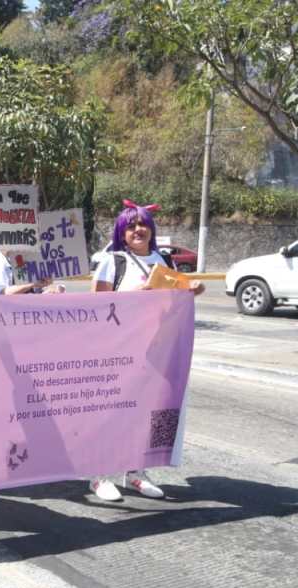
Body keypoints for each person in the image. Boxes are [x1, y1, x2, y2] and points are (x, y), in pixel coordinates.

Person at [89, 200, 204, 502]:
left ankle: (136, 472)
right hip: (119, 351)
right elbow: (95, 306)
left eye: (143, 225)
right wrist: (139, 296)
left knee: (149, 412)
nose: (138, 230)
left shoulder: (165, 261)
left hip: (159, 351)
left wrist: (192, 291)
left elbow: (176, 299)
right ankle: (99, 475)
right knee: (111, 413)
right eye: (131, 226)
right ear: (122, 233)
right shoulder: (112, 261)